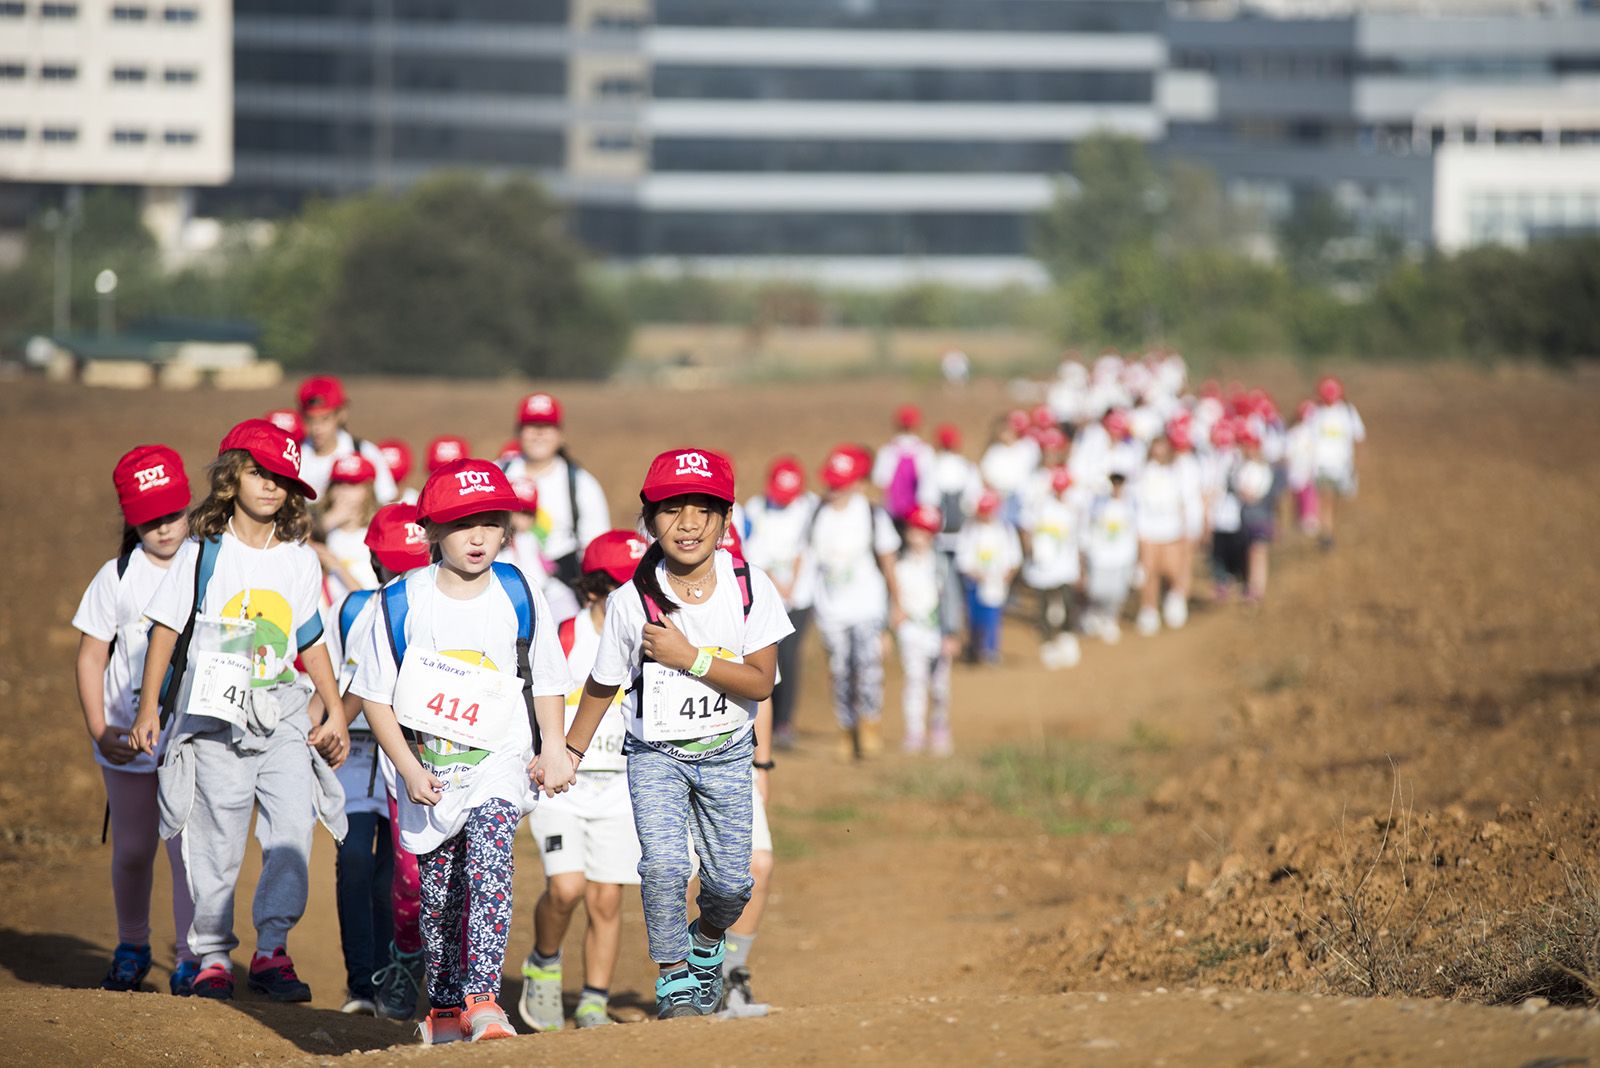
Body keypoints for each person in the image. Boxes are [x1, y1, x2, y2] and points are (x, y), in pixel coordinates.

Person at [563, 447, 793, 1019]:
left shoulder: (750, 587)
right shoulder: (630, 602)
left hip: (728, 754)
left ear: (725, 518)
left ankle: (707, 940)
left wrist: (688, 657)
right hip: (655, 756)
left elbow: (760, 682)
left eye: (703, 510)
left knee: (732, 886)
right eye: (671, 510)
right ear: (649, 519)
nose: (687, 523)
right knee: (664, 867)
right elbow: (602, 683)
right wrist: (569, 751)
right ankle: (673, 979)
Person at [129, 419, 351, 1002]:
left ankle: (273, 950)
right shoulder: (200, 552)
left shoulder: (299, 560)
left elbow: (311, 638)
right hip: (213, 713)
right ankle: (212, 956)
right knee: (217, 836)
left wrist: (333, 709)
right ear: (231, 478)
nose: (271, 486)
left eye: (282, 477)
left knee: (293, 827)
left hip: (283, 710)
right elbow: (165, 630)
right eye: (258, 473)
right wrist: (150, 708)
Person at [352, 459, 573, 1044]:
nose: (477, 537)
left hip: (500, 762)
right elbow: (374, 697)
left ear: (506, 529)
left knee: (490, 860)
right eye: (459, 524)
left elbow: (548, 678)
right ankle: (446, 1007)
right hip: (430, 772)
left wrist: (553, 745)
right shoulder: (400, 600)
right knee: (440, 893)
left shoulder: (518, 591)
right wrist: (408, 768)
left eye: (490, 522)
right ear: (430, 530)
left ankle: (484, 1000)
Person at [73, 445, 199, 995]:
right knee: (131, 851)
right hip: (125, 740)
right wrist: (100, 729)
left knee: (187, 856)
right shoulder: (116, 576)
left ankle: (193, 959)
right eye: (150, 519)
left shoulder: (208, 566)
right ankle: (131, 946)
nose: (164, 528)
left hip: (189, 742)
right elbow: (90, 656)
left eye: (173, 513)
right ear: (130, 519)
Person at [519, 530, 647, 1033]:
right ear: (592, 589)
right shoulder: (565, 637)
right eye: (622, 588)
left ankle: (594, 999)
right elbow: (533, 699)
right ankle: (544, 963)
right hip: (562, 789)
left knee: (607, 898)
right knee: (566, 888)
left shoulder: (652, 641)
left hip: (620, 791)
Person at [321, 503, 429, 1017]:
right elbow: (333, 680)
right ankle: (361, 984)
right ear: (373, 560)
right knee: (354, 862)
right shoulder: (351, 608)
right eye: (393, 564)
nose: (401, 575)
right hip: (356, 758)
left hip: (412, 757)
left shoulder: (434, 609)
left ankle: (394, 977)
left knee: (396, 874)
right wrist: (323, 728)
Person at [806, 445, 902, 760]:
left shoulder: (872, 515)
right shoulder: (817, 515)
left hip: (867, 608)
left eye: (841, 483)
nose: (833, 489)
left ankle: (870, 722)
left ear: (858, 483)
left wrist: (897, 604)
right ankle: (846, 729)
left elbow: (888, 562)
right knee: (839, 671)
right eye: (831, 482)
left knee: (867, 667)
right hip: (831, 610)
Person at [741, 456, 817, 750]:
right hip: (767, 597)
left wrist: (793, 585)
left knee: (788, 656)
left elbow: (807, 548)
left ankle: (783, 722)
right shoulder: (756, 508)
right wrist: (775, 582)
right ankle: (764, 721)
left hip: (800, 598)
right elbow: (753, 550)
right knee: (766, 658)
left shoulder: (810, 507)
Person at [498, 392, 609, 585]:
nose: (539, 433)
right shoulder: (497, 474)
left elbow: (596, 547)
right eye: (532, 426)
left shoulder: (582, 483)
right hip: (503, 576)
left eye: (547, 426)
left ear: (560, 434)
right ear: (519, 432)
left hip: (561, 580)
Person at [894, 505, 964, 753]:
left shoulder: (941, 564)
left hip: (937, 633)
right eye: (913, 530)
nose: (916, 537)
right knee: (915, 680)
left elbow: (952, 599)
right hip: (910, 632)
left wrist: (952, 633)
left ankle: (939, 726)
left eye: (922, 532)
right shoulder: (899, 563)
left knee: (939, 686)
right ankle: (914, 731)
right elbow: (892, 597)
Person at [1019, 465, 1084, 669]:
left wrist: (1080, 566)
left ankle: (1067, 638)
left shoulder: (1073, 508)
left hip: (1065, 565)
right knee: (1044, 605)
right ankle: (1047, 644)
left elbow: (1078, 538)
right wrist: (1030, 550)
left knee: (1067, 602)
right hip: (1042, 566)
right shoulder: (1040, 505)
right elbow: (1027, 528)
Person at [295, 375, 399, 504]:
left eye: (325, 418)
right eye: (310, 420)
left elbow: (387, 501)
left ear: (341, 414)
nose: (317, 428)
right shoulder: (296, 456)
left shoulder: (364, 452)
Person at [1132, 434, 1193, 636]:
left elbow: (1183, 502)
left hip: (1171, 529)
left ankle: (1175, 599)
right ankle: (1148, 609)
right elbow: (1137, 502)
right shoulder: (1143, 473)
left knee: (1172, 569)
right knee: (1149, 571)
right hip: (1148, 529)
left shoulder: (1176, 471)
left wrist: (1185, 528)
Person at [504, 477, 581, 626]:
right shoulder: (502, 542)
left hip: (545, 590)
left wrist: (550, 567)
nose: (521, 520)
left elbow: (540, 558)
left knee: (569, 612)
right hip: (522, 596)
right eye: (516, 512)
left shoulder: (531, 537)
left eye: (527, 514)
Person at [955, 490, 1021, 665]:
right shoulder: (970, 529)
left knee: (992, 617)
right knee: (974, 618)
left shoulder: (1005, 529)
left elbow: (1014, 557)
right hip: (974, 583)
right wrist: (975, 574)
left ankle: (990, 649)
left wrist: (1005, 577)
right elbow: (963, 558)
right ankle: (975, 648)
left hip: (996, 583)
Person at [314, 453, 381, 607]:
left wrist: (336, 566)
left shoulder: (376, 535)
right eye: (338, 484)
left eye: (352, 484)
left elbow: (372, 601)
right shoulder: (322, 529)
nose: (343, 491)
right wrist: (325, 524)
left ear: (368, 491)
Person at [1081, 469, 1139, 644]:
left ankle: (1111, 619)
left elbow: (1136, 530)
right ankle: (1096, 614)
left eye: (1119, 483)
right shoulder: (1097, 504)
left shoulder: (1131, 505)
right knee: (1096, 590)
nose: (1116, 487)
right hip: (1100, 555)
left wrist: (1136, 559)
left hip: (1122, 556)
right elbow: (1088, 526)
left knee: (1117, 593)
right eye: (1114, 483)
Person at [1311, 375, 1365, 549]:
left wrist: (1356, 461)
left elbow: (1358, 436)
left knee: (1335, 498)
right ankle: (1326, 532)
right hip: (1322, 464)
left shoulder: (1347, 412)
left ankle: (1328, 529)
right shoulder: (1316, 412)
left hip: (1342, 465)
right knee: (1326, 497)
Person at [1234, 428, 1284, 603]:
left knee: (1258, 551)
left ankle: (1257, 588)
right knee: (1251, 552)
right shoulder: (1243, 467)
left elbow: (1261, 495)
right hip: (1247, 517)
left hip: (1261, 516)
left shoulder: (1265, 469)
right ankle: (1252, 585)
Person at [871, 404, 936, 534]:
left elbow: (880, 481)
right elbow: (929, 484)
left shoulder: (888, 450)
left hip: (892, 511)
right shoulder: (925, 451)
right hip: (917, 513)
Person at [929, 424, 981, 563]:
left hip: (936, 534)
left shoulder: (932, 467)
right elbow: (973, 502)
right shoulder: (967, 468)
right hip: (964, 532)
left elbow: (927, 499)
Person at [377, 439, 417, 506]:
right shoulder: (367, 506)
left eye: (396, 481)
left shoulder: (420, 504)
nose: (391, 488)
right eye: (385, 483)